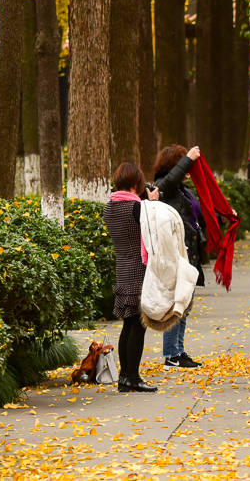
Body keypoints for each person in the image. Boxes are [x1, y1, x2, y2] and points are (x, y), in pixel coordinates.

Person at [103, 162, 160, 392]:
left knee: (128, 323)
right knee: (138, 325)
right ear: (136, 183)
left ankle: (124, 378)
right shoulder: (138, 209)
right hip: (139, 268)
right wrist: (153, 204)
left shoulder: (110, 207)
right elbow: (153, 231)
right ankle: (133, 377)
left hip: (122, 267)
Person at [152, 144, 206, 369]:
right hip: (176, 254)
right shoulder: (163, 187)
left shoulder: (182, 189)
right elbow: (167, 182)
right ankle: (170, 354)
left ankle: (179, 350)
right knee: (177, 304)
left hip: (189, 254)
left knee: (185, 304)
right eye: (183, 162)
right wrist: (190, 158)